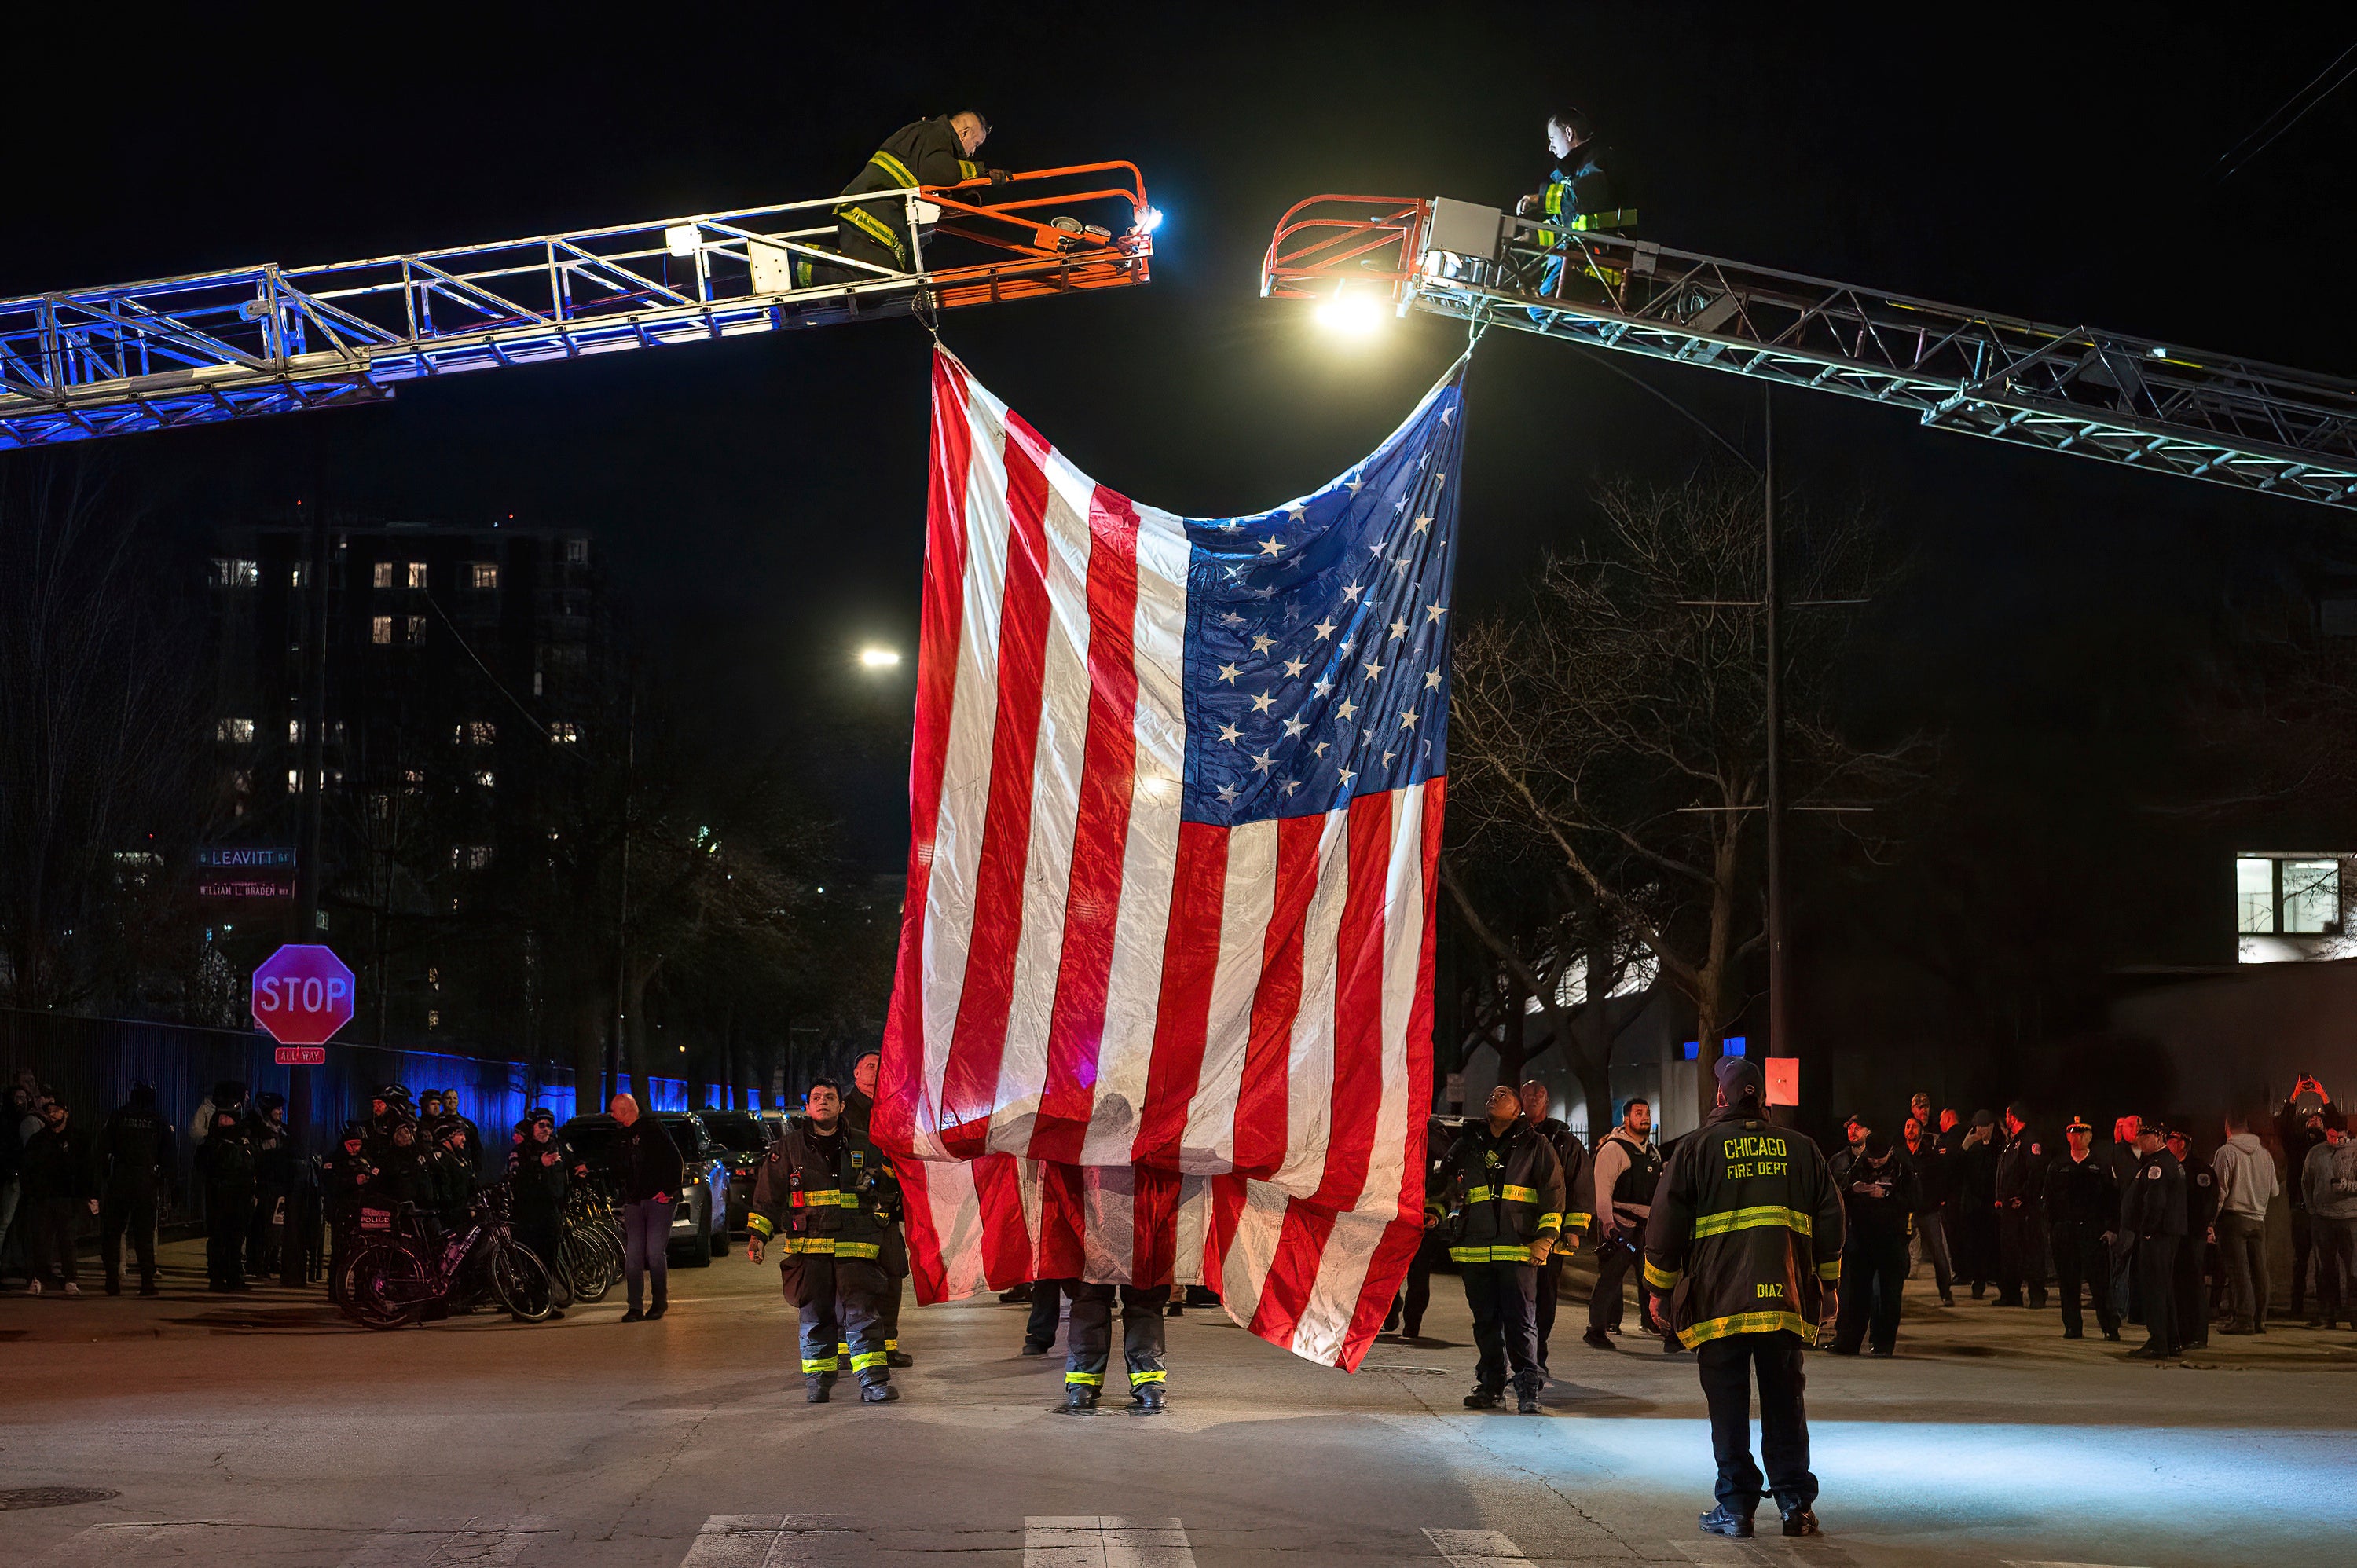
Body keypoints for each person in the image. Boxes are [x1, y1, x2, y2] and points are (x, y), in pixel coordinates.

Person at [1644, 1057, 1842, 1540]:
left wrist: (1660, 1290)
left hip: (1719, 1303)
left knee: (1728, 1405)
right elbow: (1831, 1219)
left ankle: (1736, 1509)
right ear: (1762, 1099)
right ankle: (1796, 1505)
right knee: (1785, 1400)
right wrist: (1828, 1286)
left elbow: (1666, 1226)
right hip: (1784, 1297)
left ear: (1721, 1097)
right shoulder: (1803, 1149)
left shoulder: (1695, 1149)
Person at [746, 1078, 902, 1405]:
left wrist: (880, 1198)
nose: (823, 1102)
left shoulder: (866, 1145)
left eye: (830, 1097)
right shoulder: (787, 1150)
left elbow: (890, 1191)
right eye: (816, 1097)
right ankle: (818, 1382)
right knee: (815, 1317)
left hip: (855, 1247)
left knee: (862, 1315)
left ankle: (873, 1383)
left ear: (841, 1106)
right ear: (808, 1107)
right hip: (809, 1249)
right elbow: (768, 1198)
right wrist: (758, 1236)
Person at [1431, 1083, 1566, 1412]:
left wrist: (1546, 1239)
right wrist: (1433, 1213)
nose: (1494, 1097)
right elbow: (1442, 1186)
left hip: (1519, 1250)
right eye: (1491, 1094)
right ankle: (1490, 1385)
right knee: (1485, 1323)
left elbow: (1553, 1193)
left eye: (1503, 1094)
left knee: (1521, 1322)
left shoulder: (1536, 1144)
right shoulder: (1467, 1143)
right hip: (1475, 1249)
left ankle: (1527, 1387)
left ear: (1518, 1110)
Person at [806, 112, 1005, 286]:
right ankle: (798, 263)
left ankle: (805, 269)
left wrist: (966, 195)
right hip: (868, 213)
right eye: (976, 144)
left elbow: (929, 174)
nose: (972, 152)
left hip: (875, 213)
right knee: (876, 283)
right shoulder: (937, 134)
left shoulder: (931, 137)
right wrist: (979, 171)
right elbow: (940, 172)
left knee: (880, 284)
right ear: (965, 133)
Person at [1514, 108, 1629, 315]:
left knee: (1540, 310)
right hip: (1583, 262)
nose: (1550, 147)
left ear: (1568, 133)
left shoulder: (1598, 160)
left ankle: (1605, 322)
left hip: (1596, 264)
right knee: (1537, 309)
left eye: (1552, 138)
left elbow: (1580, 199)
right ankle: (1604, 322)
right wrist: (1529, 237)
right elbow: (1564, 223)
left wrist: (1539, 200)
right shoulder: (1575, 171)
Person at [842, 1050, 913, 1367]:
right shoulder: (845, 1110)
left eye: (880, 1066)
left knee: (892, 1274)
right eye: (869, 1066)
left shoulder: (895, 1104)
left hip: (888, 1207)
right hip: (855, 1211)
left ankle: (888, 1344)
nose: (875, 1071)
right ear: (856, 1073)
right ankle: (848, 1349)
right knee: (853, 1282)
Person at [1518, 1079, 1592, 1376]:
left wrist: (1574, 1229)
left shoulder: (1564, 1142)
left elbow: (1580, 1187)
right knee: (1516, 1301)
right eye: (1528, 1094)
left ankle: (1538, 1358)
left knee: (1545, 1301)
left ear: (1547, 1100)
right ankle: (1521, 1358)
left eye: (1539, 1094)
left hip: (1552, 1238)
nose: (1534, 1098)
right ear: (1520, 1099)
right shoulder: (1510, 1137)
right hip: (1515, 1235)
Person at [1585, 1097, 1666, 1351]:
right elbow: (1602, 1191)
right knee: (1610, 1279)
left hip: (1646, 1228)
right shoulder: (1613, 1149)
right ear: (1626, 1118)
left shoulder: (1652, 1152)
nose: (1645, 1117)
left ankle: (1651, 1322)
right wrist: (1608, 1224)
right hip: (1622, 1227)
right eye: (1638, 1113)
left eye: (1647, 1113)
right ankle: (1598, 1329)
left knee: (1649, 1277)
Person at [1830, 1132, 1915, 1357]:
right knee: (1855, 1294)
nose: (1875, 1163)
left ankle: (1883, 1344)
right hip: (1861, 1240)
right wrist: (1857, 1188)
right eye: (1872, 1158)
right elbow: (1842, 1191)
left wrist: (1886, 1196)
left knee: (1887, 1295)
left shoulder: (1901, 1167)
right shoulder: (1859, 1165)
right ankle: (1849, 1342)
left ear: (1890, 1152)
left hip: (1891, 1240)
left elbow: (1915, 1199)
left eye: (1880, 1159)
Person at [2044, 1114, 2122, 1342]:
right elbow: (2049, 1200)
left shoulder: (2100, 1165)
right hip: (2066, 1232)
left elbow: (2113, 1199)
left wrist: (2112, 1229)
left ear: (2090, 1136)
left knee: (2100, 1284)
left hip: (2093, 1231)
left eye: (2082, 1133)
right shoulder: (2058, 1165)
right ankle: (2072, 1327)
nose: (2077, 1137)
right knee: (2068, 1284)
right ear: (2067, 1137)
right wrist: (2053, 1229)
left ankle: (2110, 1326)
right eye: (2073, 1133)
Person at [93, 1082, 175, 1296]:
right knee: (144, 1234)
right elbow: (168, 1153)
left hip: (120, 1179)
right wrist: (162, 1178)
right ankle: (147, 1281)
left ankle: (112, 1280)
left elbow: (103, 1148)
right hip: (146, 1181)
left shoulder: (119, 1116)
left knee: (112, 1232)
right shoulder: (158, 1119)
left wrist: (104, 1177)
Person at [608, 1094, 683, 1323]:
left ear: (625, 1110)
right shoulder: (623, 1136)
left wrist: (668, 1191)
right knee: (633, 1255)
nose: (612, 1115)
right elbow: (615, 1163)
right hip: (635, 1201)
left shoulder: (653, 1130)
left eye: (614, 1110)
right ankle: (635, 1306)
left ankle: (659, 1302)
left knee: (653, 1251)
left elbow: (675, 1160)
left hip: (657, 1200)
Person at [2120, 1117, 2187, 1358]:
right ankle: (2171, 1340)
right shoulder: (2170, 1163)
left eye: (2144, 1136)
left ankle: (2158, 1341)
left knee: (2155, 1289)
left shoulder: (2158, 1165)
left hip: (2157, 1236)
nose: (2140, 1140)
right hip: (2167, 1235)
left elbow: (2155, 1202)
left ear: (2158, 1137)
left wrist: (2147, 1229)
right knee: (2165, 1288)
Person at [2212, 1108, 2278, 1335]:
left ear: (2227, 1126)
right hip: (2258, 1219)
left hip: (2233, 1219)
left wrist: (2211, 1221)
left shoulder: (2226, 1152)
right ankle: (2260, 1319)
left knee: (2239, 1271)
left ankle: (2243, 1319)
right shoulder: (2265, 1154)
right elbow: (2275, 1191)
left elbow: (2220, 1190)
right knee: (2260, 1271)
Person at [19, 1097, 93, 1296]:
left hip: (68, 1198)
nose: (52, 1115)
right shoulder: (39, 1140)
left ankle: (71, 1279)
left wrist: (89, 1195)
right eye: (49, 1112)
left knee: (67, 1240)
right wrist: (31, 1192)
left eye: (56, 1111)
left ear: (66, 1112)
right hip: (43, 1198)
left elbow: (87, 1169)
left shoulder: (78, 1139)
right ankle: (37, 1279)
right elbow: (27, 1168)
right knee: (40, 1241)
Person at [507, 1111, 571, 1317]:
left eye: (549, 1126)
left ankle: (544, 1303)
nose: (546, 1129)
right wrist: (538, 1165)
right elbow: (516, 1179)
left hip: (550, 1213)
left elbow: (563, 1178)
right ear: (532, 1128)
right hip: (527, 1214)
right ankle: (521, 1306)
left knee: (547, 1261)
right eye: (541, 1125)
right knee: (526, 1262)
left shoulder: (557, 1150)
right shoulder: (521, 1152)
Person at [1992, 1103, 2050, 1310]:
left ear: (2013, 1117)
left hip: (2025, 1208)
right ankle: (2011, 1294)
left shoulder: (2029, 1140)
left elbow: (2035, 1173)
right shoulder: (2012, 1142)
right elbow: (2006, 1172)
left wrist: (2023, 1197)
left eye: (2007, 1114)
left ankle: (2037, 1294)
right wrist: (2001, 1196)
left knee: (2031, 1250)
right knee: (2010, 1253)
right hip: (2008, 1208)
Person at [195, 1106, 258, 1292]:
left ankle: (234, 1276)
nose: (224, 1121)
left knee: (236, 1239)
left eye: (227, 1118)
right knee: (219, 1238)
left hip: (239, 1198)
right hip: (220, 1197)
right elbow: (203, 1167)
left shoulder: (243, 1143)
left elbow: (252, 1167)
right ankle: (217, 1277)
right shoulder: (213, 1144)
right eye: (221, 1118)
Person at [2300, 1112, 2354, 1329]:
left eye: (2339, 1137)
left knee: (2354, 1269)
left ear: (2346, 1134)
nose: (2335, 1141)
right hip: (2323, 1218)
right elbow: (2306, 1181)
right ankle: (2326, 1315)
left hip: (2351, 1218)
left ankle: (2355, 1317)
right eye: (2331, 1137)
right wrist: (2313, 1208)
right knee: (2325, 1269)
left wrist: (2347, 1187)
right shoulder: (2316, 1153)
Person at [2167, 1125, 2218, 1350]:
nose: (2166, 1142)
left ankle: (2197, 1335)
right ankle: (2181, 1332)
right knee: (2178, 1285)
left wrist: (2200, 1228)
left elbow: (2206, 1203)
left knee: (2193, 1284)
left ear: (2181, 1143)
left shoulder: (2198, 1170)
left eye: (2170, 1139)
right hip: (2176, 1234)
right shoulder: (2171, 1167)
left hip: (2192, 1235)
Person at [2285, 1099, 2331, 1324]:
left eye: (2319, 1118)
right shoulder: (2296, 1146)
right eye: (2310, 1118)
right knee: (2300, 1260)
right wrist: (2293, 1096)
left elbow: (2337, 1120)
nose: (2314, 1119)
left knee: (2324, 1261)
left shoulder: (2330, 1148)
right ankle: (2296, 1308)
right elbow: (2284, 1124)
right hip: (2301, 1210)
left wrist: (2322, 1093)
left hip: (2323, 1212)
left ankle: (2325, 1310)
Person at [1902, 1116, 1955, 1306]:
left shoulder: (1930, 1155)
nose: (1910, 1130)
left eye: (1914, 1127)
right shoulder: (1900, 1155)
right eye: (1907, 1126)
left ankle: (1946, 1293)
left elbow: (1941, 1178)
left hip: (1928, 1210)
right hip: (1906, 1211)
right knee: (1900, 1251)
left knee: (1938, 1252)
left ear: (1921, 1131)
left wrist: (1939, 1200)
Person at [320, 1121, 374, 1306]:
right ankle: (336, 1293)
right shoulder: (334, 1160)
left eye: (358, 1145)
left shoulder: (366, 1159)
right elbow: (330, 1185)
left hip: (363, 1213)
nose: (355, 1148)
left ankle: (361, 1293)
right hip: (342, 1213)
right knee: (340, 1254)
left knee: (364, 1255)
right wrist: (354, 1181)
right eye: (352, 1145)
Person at [244, 1092, 296, 1277]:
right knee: (260, 1224)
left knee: (277, 1224)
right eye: (277, 1109)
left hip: (279, 1182)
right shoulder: (257, 1130)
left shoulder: (283, 1130)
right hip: (265, 1182)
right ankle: (256, 1262)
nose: (280, 1112)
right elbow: (256, 1155)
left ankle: (273, 1259)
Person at [1952, 1112, 2000, 1296]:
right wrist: (1966, 1145)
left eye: (1984, 1126)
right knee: (1975, 1246)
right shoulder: (1974, 1149)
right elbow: (1957, 1168)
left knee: (1991, 1245)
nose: (1980, 1130)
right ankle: (1978, 1282)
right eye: (1978, 1126)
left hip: (1989, 1205)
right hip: (1974, 1205)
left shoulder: (1997, 1149)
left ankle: (1994, 1278)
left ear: (1991, 1127)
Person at [2102, 1116, 2143, 1322]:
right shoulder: (2117, 1154)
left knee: (2138, 1268)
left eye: (2140, 1126)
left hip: (2143, 1220)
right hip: (2123, 1219)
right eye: (2132, 1126)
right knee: (2121, 1265)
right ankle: (2118, 1309)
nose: (2137, 1130)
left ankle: (2137, 1311)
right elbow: (2115, 1190)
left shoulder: (2147, 1155)